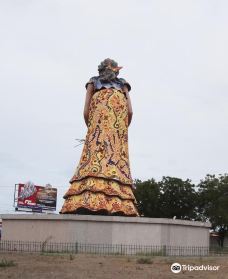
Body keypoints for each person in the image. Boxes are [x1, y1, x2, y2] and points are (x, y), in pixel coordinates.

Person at [60, 58, 139, 216]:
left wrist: (93, 131)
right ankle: (119, 202)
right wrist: (119, 131)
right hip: (116, 135)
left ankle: (86, 198)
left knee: (94, 160)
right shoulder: (121, 85)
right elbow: (130, 111)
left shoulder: (94, 83)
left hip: (100, 134)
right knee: (114, 164)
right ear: (113, 70)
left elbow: (86, 111)